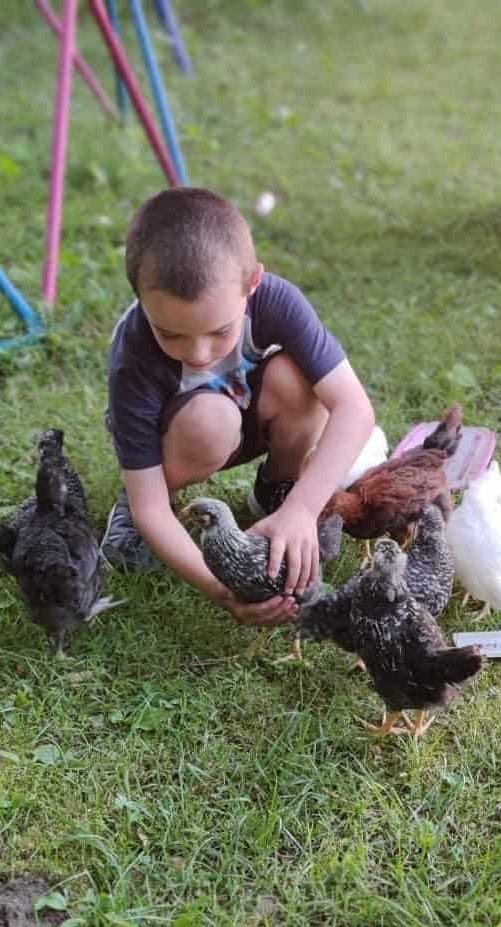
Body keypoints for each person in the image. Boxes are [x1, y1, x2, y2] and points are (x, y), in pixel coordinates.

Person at [101, 187, 375, 626]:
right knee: (209, 423)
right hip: (184, 438)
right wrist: (220, 588)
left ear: (253, 284)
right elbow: (149, 508)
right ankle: (139, 502)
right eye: (170, 333)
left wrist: (303, 508)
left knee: (299, 381)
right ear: (139, 298)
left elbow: (354, 409)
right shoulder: (134, 352)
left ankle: (279, 490)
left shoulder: (278, 301)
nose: (199, 352)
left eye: (220, 330)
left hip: (249, 417)